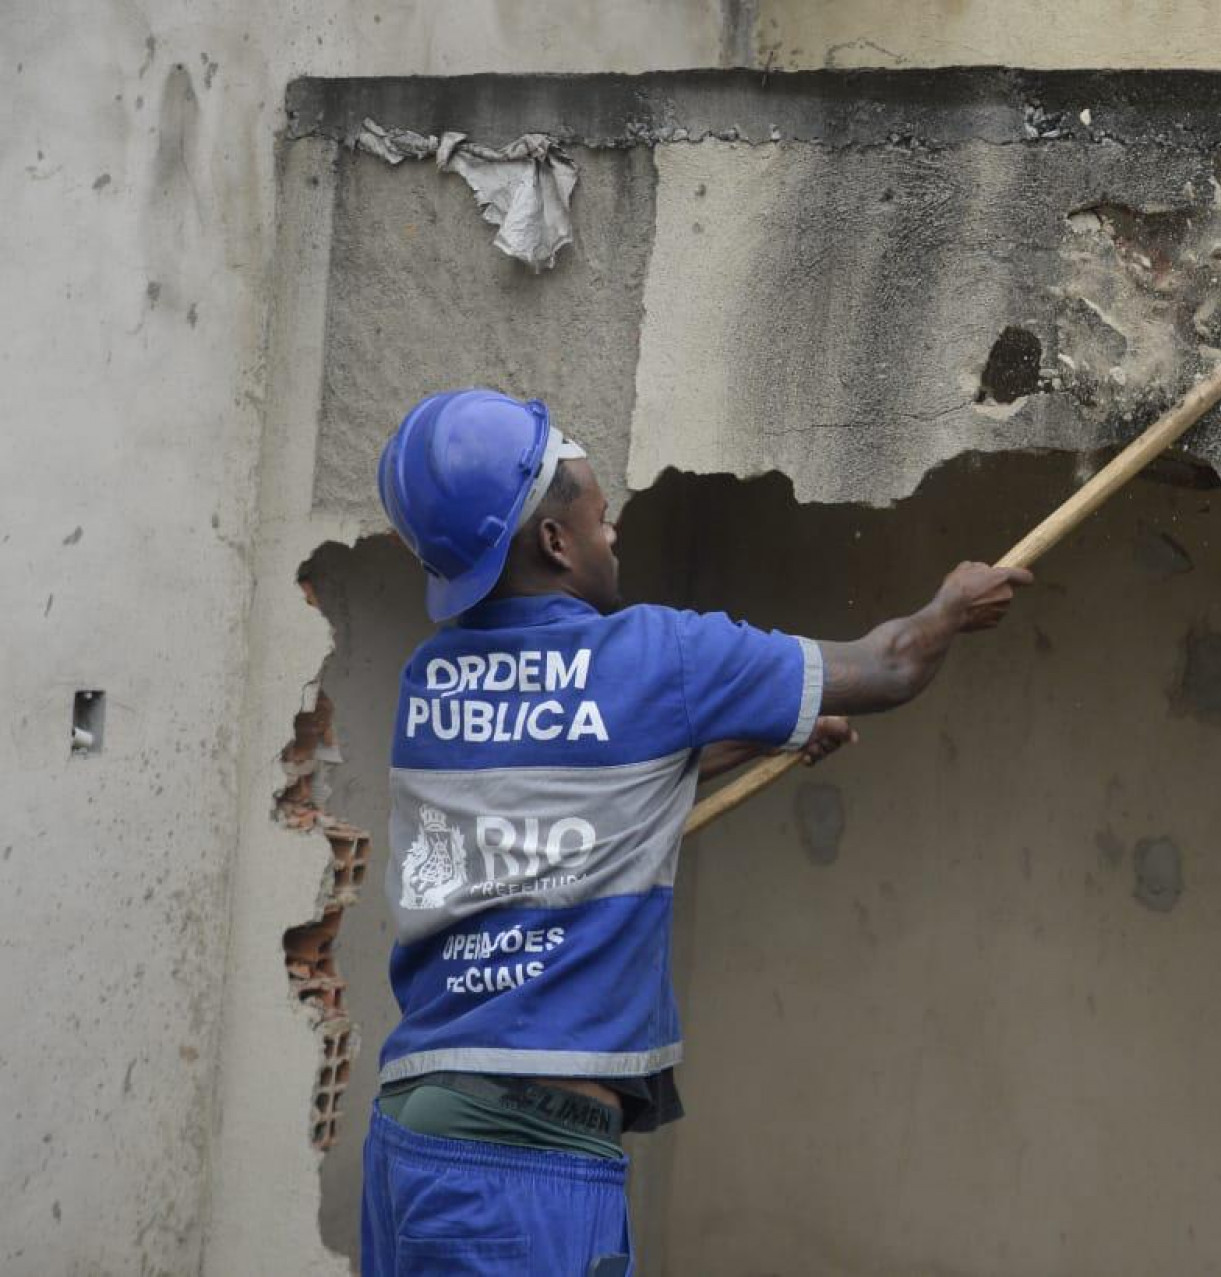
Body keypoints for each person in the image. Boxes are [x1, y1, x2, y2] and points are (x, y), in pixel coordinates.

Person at [360, 389, 1029, 1276]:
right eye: (602, 518)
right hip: (523, 1165)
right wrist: (950, 607)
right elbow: (890, 663)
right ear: (556, 543)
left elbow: (589, 786)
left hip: (411, 1132)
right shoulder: (657, 657)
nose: (615, 536)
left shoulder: (429, 684)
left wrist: (764, 733)